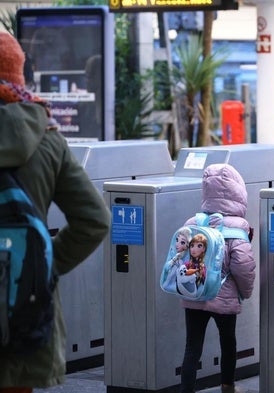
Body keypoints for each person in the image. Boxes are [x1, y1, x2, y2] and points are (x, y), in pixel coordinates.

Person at [0, 32, 111, 392]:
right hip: (23, 312)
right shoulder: (48, 138)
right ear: (19, 75)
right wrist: (39, 266)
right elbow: (95, 220)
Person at [180, 163, 255, 393]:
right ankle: (227, 386)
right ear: (237, 191)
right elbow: (242, 265)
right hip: (224, 296)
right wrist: (246, 291)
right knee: (228, 342)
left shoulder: (192, 223)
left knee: (192, 346)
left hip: (195, 293)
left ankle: (186, 391)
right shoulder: (238, 227)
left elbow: (181, 255)